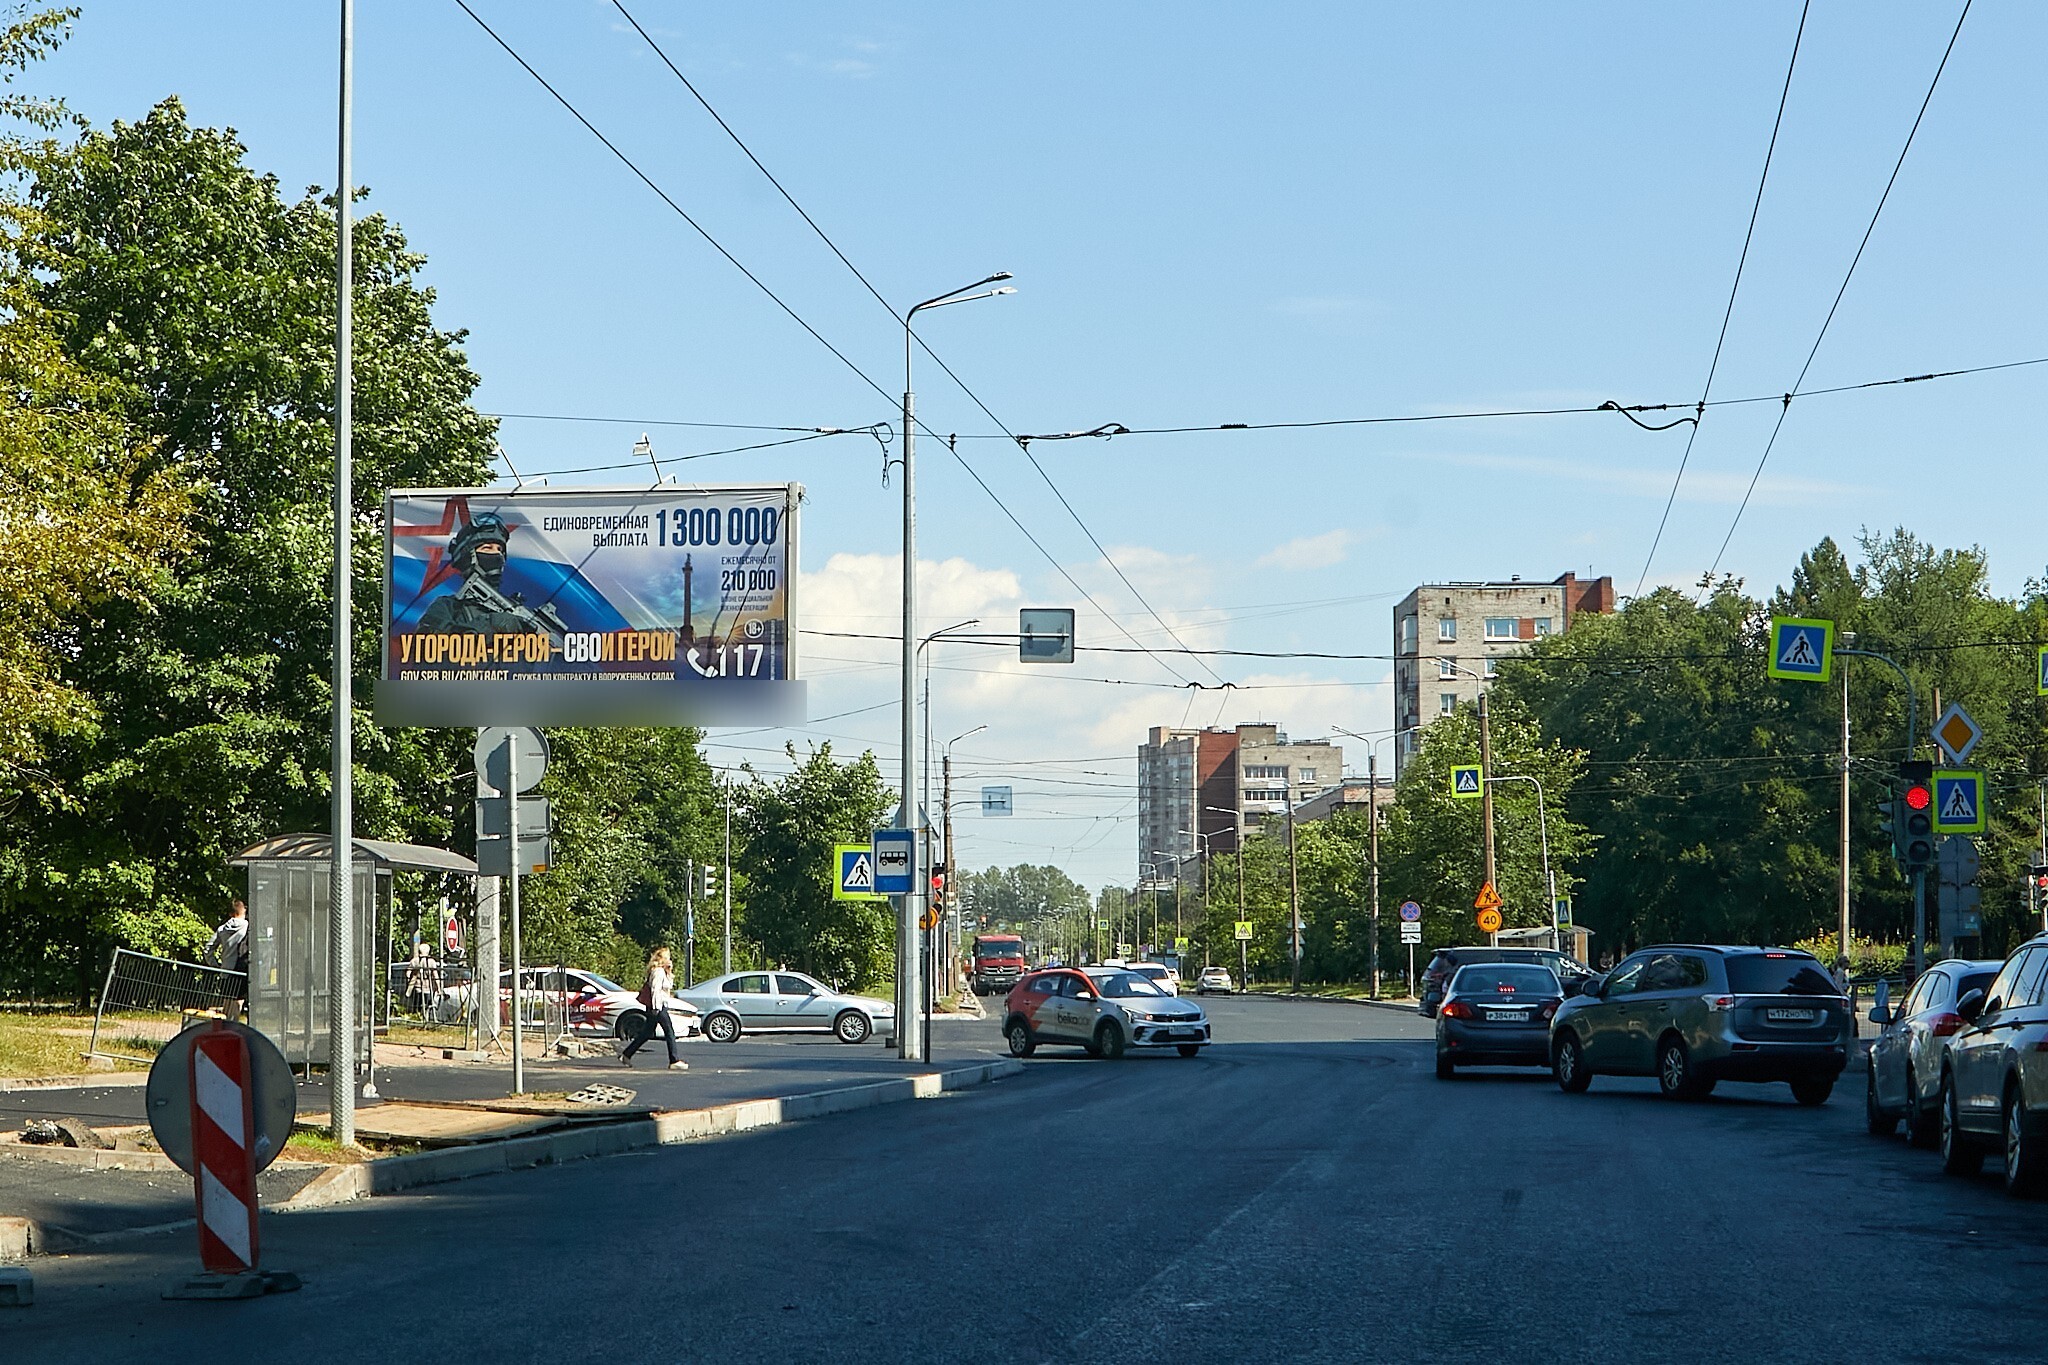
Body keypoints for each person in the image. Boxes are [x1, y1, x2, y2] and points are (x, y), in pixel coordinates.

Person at [620, 947, 687, 1071]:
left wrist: (669, 972)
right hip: (657, 1006)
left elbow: (668, 986)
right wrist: (656, 1007)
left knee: (647, 1033)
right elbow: (655, 990)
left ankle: (627, 1054)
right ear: (662, 959)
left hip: (657, 1005)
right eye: (667, 957)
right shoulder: (658, 972)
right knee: (669, 1031)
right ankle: (674, 1060)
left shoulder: (662, 971)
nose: (669, 960)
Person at [204, 899, 250, 1017]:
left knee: (226, 1005)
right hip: (241, 971)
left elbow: (208, 948)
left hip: (226, 971)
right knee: (237, 1005)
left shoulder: (222, 929)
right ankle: (233, 1026)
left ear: (231, 913)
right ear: (244, 910)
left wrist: (216, 965)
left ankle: (224, 1027)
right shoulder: (247, 927)